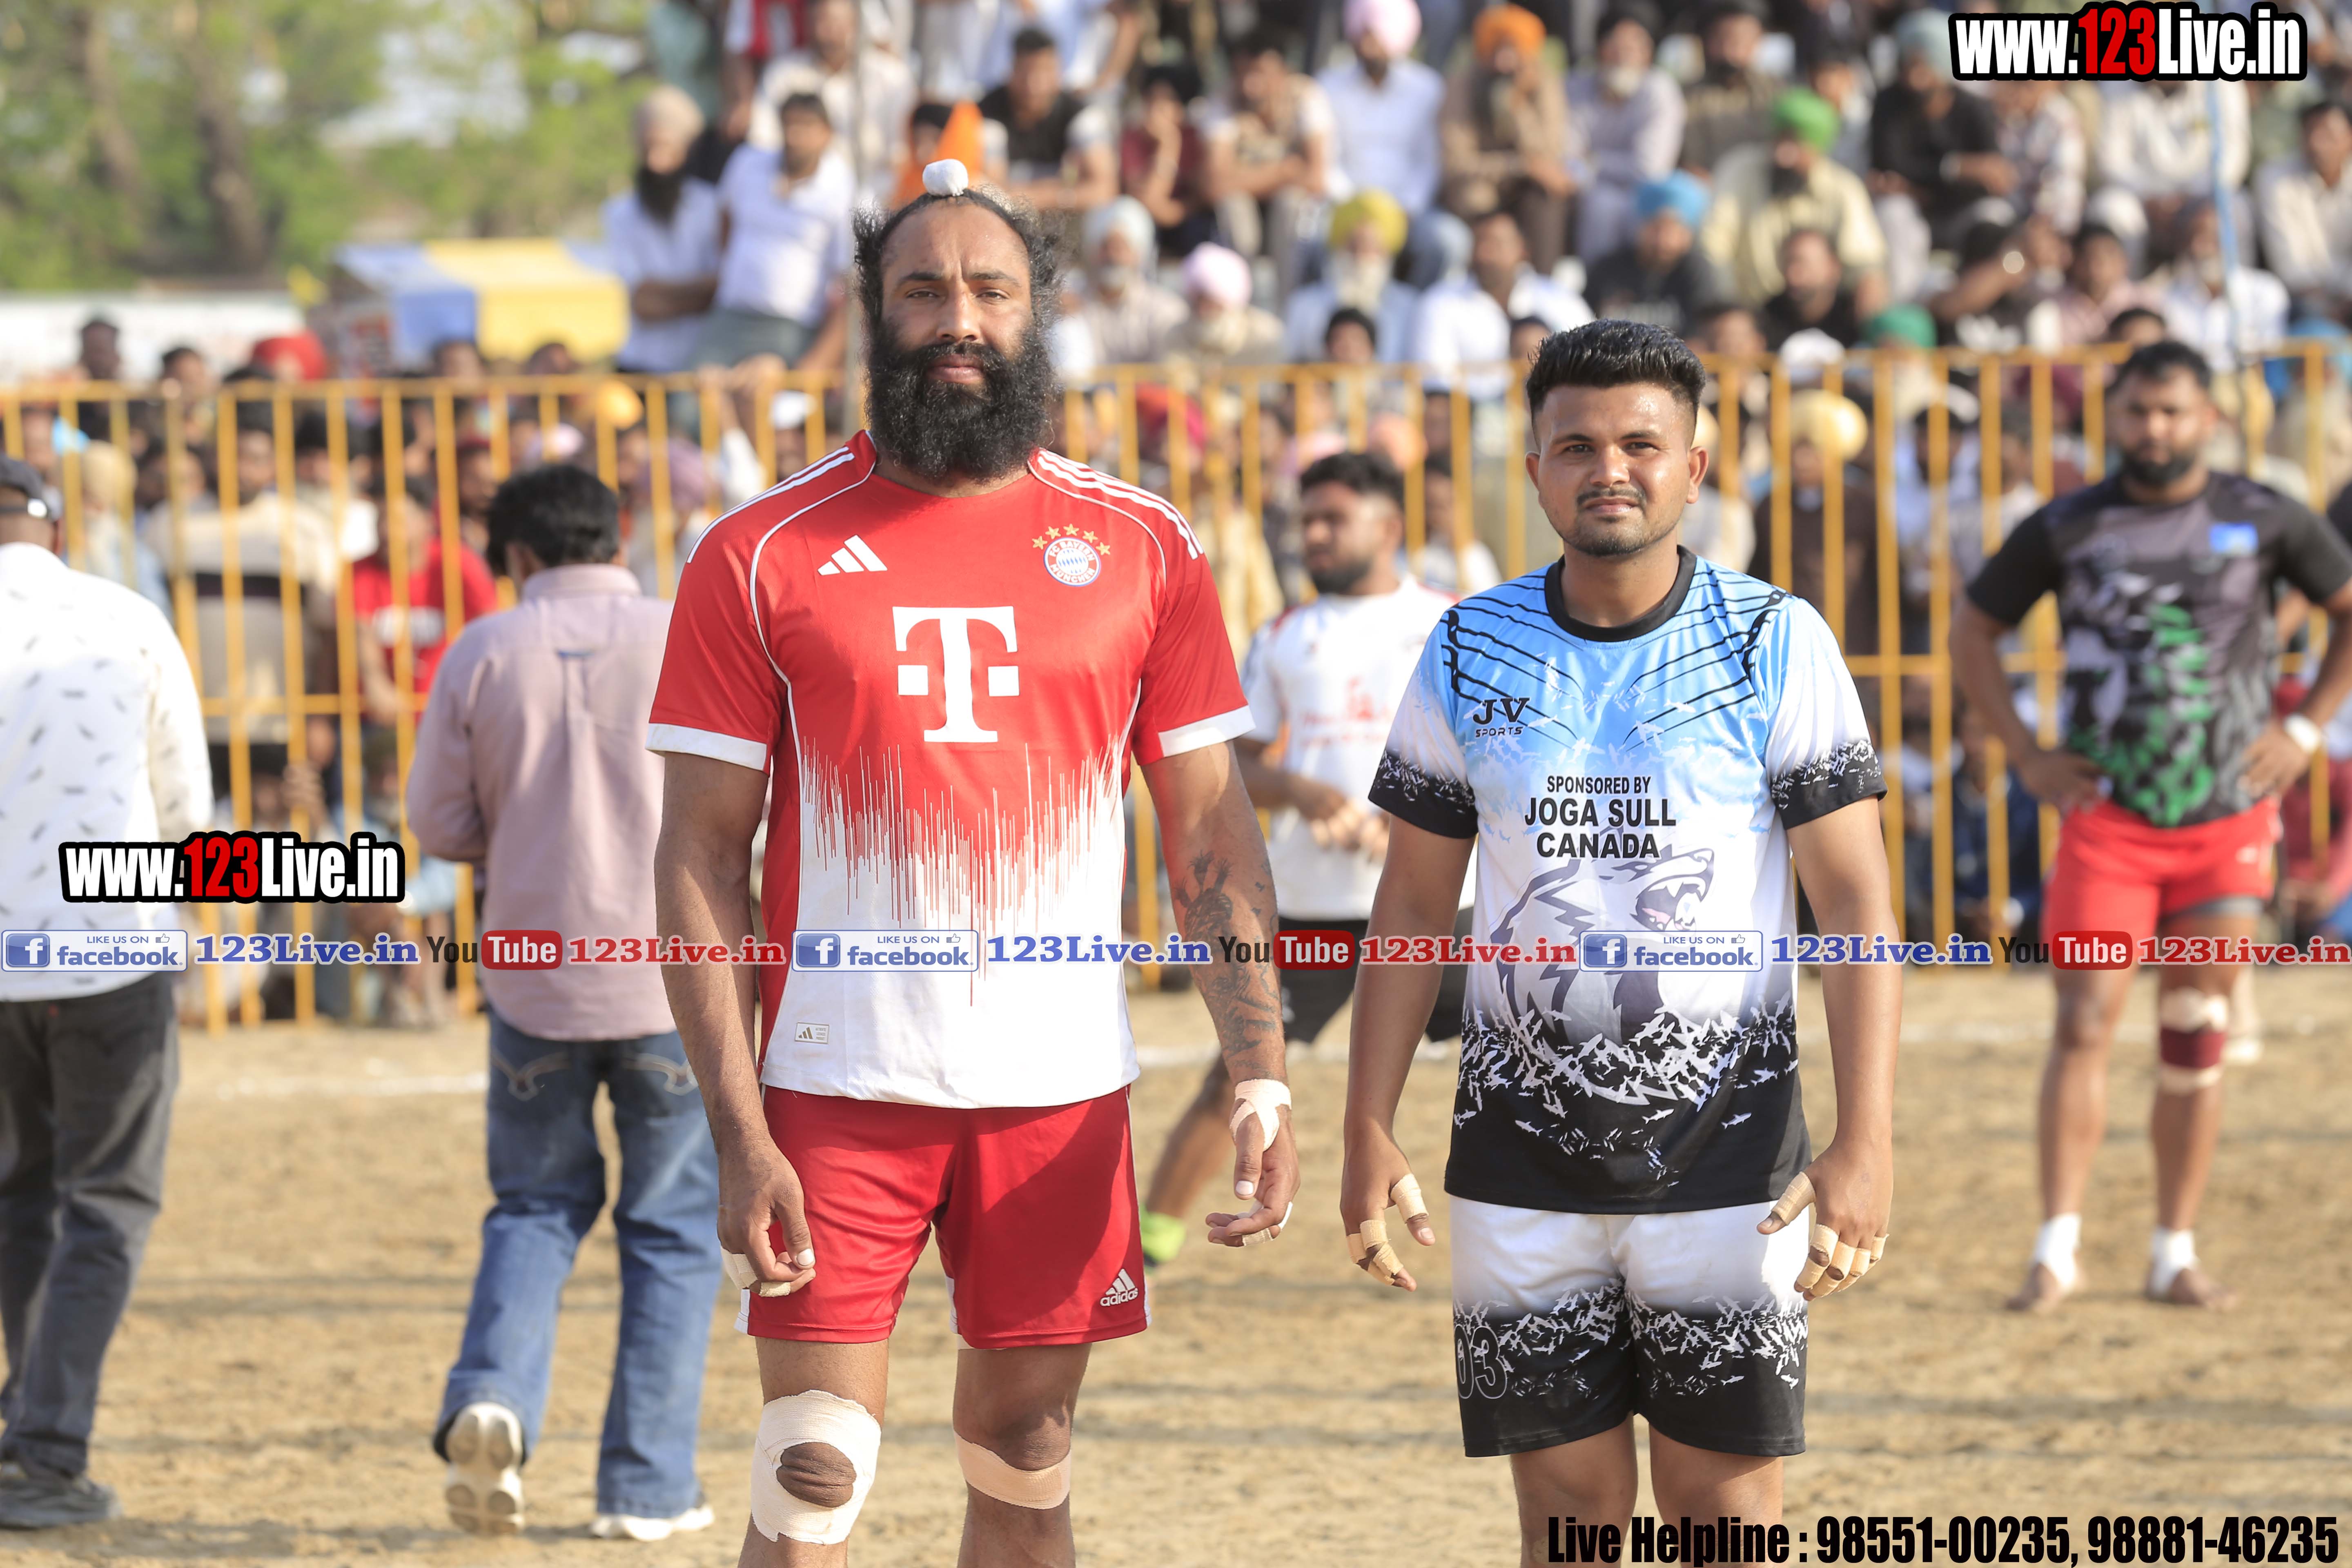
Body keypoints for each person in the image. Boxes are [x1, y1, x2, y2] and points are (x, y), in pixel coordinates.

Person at [645, 160, 1297, 1564]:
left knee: (1028, 1455)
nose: (958, 317)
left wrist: (1258, 1071)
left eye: (991, 290)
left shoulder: (1145, 546)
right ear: (872, 314)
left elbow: (1210, 830)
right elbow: (698, 851)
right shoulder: (756, 552)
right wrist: (739, 1128)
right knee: (810, 1473)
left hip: (1059, 1092)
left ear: (1037, 313)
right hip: (831, 1090)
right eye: (923, 289)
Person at [1342, 321, 1898, 1550]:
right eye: (1577, 445)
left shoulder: (1772, 639)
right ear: (1535, 470)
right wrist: (1365, 1121)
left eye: (1641, 444)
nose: (1610, 469)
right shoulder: (1467, 645)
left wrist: (1865, 1137)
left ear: (1693, 466)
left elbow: (1855, 903)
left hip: (1731, 1168)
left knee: (1723, 1510)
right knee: (1567, 1514)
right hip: (1517, 1169)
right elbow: (1413, 906)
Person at [1951, 339, 2352, 1314]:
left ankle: (2174, 1251)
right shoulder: (2069, 524)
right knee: (2083, 1020)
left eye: (2172, 412)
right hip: (2108, 826)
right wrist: (2028, 755)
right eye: (2137, 411)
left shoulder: (2262, 515)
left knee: (2194, 1024)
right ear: (2114, 418)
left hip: (2224, 823)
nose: (2154, 429)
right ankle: (2056, 1250)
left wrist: (2304, 726)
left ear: (2208, 419)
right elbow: (1972, 629)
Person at [408, 466, 723, 1541]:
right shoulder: (685, 633)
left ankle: (493, 1395)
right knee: (671, 1230)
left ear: (517, 556)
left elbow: (440, 825)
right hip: (674, 977)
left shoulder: (483, 650)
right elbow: (756, 800)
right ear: (620, 535)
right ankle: (647, 1486)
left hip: (534, 977)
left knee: (534, 1207)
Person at [1138, 450, 1465, 1269]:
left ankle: (1573, 1227)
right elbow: (1231, 766)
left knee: (1529, 1053)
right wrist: (1304, 793)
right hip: (1315, 909)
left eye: (1333, 519)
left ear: (1388, 528)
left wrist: (1418, 821)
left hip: (1441, 908)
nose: (1314, 535)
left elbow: (1494, 756)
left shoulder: (1455, 622)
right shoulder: (1284, 635)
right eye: (1307, 520)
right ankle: (1148, 1245)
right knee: (1240, 1081)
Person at [0, 454, 211, 1529]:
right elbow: (186, 805)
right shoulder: (125, 617)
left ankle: (26, 1422)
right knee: (107, 1203)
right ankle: (44, 1451)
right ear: (51, 528)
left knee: (19, 1195)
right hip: (107, 950)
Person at [697, 92, 855, 370]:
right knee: (689, 391)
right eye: (789, 124)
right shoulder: (747, 162)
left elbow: (849, 279)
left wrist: (820, 358)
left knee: (772, 393)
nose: (794, 136)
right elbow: (725, 216)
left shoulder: (842, 186)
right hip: (730, 313)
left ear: (827, 133)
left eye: (806, 126)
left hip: (793, 327)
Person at [1700, 89, 1888, 312]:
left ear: (1818, 148)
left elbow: (1865, 264)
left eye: (1796, 145)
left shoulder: (1844, 190)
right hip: (1753, 313)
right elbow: (1714, 245)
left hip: (1823, 315)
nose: (1783, 156)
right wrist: (1730, 308)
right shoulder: (1740, 170)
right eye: (1779, 141)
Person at [1201, 28, 1337, 302]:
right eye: (1243, 73)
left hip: (1289, 210)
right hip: (1245, 207)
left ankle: (1288, 304)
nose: (1250, 85)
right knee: (1234, 206)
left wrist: (1245, 177)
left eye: (1260, 74)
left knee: (1289, 203)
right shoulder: (1223, 100)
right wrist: (1283, 170)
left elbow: (1316, 179)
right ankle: (1240, 303)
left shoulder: (1307, 96)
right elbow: (1213, 186)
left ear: (1283, 72)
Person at [1319, 0, 1448, 287]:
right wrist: (1356, 210)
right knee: (1310, 242)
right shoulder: (1329, 85)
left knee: (1447, 241)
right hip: (1344, 208)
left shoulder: (1427, 88)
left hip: (1408, 211)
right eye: (1362, 36)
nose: (1368, 47)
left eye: (1376, 37)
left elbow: (1428, 163)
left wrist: (1405, 210)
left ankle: (1414, 303)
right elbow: (1328, 160)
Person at [1439, 4, 1576, 276]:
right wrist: (1520, 166)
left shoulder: (1544, 83)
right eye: (1497, 50)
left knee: (1547, 195)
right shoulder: (1462, 85)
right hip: (1481, 186)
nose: (1503, 62)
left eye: (1513, 51)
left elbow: (1549, 153)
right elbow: (1457, 162)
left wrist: (1516, 107)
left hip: (1525, 185)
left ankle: (1543, 283)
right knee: (1475, 197)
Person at [1412, 207, 1591, 400]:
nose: (1485, 253)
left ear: (1522, 249)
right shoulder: (1440, 302)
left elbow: (1588, 365)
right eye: (1479, 242)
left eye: (1496, 244)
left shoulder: (1559, 299)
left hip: (1554, 410)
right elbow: (1436, 387)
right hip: (1471, 415)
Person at [607, 86, 725, 378]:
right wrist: (700, 292)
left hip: (696, 369)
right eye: (650, 148)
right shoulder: (620, 212)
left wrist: (665, 295)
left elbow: (721, 290)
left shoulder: (712, 205)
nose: (655, 162)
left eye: (665, 148)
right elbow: (643, 303)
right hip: (639, 366)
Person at [755, 0, 915, 203]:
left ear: (856, 23)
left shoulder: (892, 77)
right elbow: (763, 143)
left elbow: (901, 154)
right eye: (822, 22)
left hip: (879, 198)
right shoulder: (784, 75)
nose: (829, 33)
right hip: (800, 199)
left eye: (838, 22)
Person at [1565, 3, 1683, 263]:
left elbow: (1650, 169)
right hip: (1587, 194)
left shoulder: (1660, 90)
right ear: (1600, 49)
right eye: (1615, 45)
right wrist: (1589, 168)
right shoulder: (1576, 85)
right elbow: (1568, 159)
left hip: (1647, 194)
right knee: (1601, 206)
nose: (1623, 56)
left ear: (1648, 53)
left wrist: (1594, 162)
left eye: (1634, 47)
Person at [977, 28, 1117, 223]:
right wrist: (1065, 189)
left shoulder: (1081, 115)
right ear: (1012, 70)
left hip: (1066, 220)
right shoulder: (987, 113)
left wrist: (1039, 197)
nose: (1034, 85)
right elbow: (993, 192)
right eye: (1025, 71)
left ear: (1058, 70)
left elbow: (1104, 190)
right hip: (1007, 221)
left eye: (1043, 71)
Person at [1282, 190, 1421, 364]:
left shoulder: (1409, 307)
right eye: (1353, 247)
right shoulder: (1304, 305)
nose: (1360, 258)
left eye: (1370, 249)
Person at [1584, 173, 1725, 338]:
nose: (1662, 240)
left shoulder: (1698, 273)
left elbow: (1706, 336)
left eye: (1673, 229)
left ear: (1688, 234)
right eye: (1655, 227)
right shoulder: (1608, 271)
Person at [2158, 198, 2291, 373]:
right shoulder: (2169, 297)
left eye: (2210, 237)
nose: (2199, 248)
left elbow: (2270, 359)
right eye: (2192, 236)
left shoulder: (2266, 290)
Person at [2255, 99, 2352, 314]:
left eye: (2328, 135)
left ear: (2349, 138)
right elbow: (2289, 267)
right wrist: (2328, 305)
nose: (2316, 143)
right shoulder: (2274, 179)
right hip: (2304, 302)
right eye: (2310, 132)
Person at [1118, 62, 1216, 259]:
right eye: (1151, 99)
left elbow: (1199, 198)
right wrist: (1168, 144)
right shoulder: (1132, 138)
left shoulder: (1195, 138)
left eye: (1167, 100)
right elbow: (1146, 200)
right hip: (1150, 221)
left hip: (1185, 221)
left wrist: (1172, 214)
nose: (1156, 107)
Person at [1074, 197, 1187, 366]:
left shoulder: (1165, 311)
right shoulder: (1071, 304)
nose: (1113, 256)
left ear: (1139, 253)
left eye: (1121, 247)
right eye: (1105, 247)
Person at [1679, 0, 1784, 175]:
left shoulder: (1777, 93)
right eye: (1721, 38)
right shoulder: (1685, 97)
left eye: (1738, 40)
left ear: (1758, 40)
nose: (1728, 50)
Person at [1165, 242, 1287, 369]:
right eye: (1199, 301)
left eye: (1212, 303)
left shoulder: (1266, 335)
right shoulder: (1177, 336)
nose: (1204, 310)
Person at [1758, 228, 1862, 349]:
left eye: (1803, 264)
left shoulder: (1856, 317)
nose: (1793, 275)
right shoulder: (1767, 319)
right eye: (1788, 263)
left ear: (1833, 267)